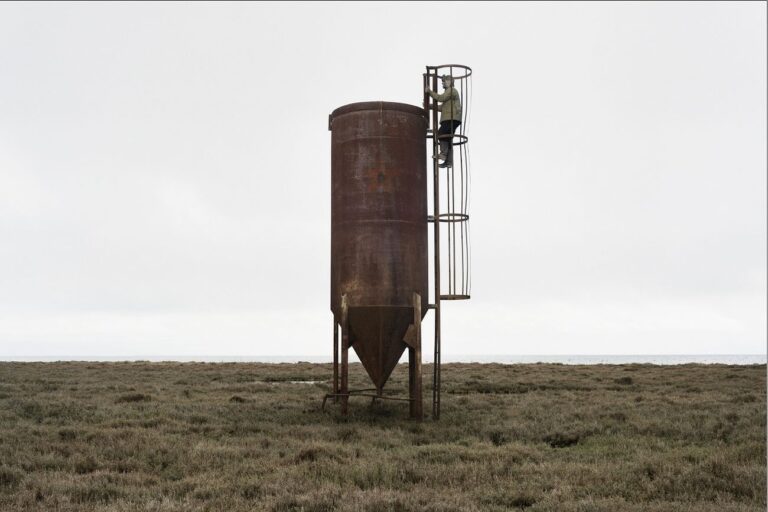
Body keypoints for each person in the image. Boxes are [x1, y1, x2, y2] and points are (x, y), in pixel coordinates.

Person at [425, 75, 462, 168]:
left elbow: (441, 98)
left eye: (445, 81)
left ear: (451, 81)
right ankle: (449, 162)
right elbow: (442, 107)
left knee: (441, 134)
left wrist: (429, 92)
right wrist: (429, 106)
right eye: (443, 81)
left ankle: (443, 154)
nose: (443, 83)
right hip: (452, 118)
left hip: (451, 118)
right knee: (448, 139)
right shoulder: (449, 93)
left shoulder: (451, 90)